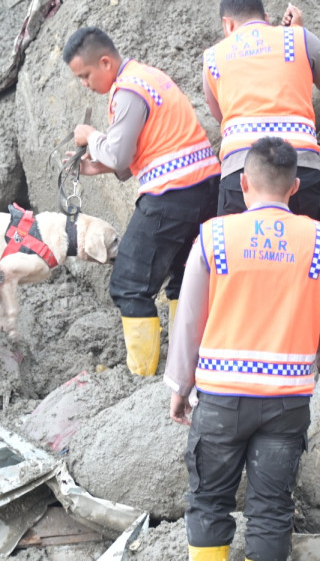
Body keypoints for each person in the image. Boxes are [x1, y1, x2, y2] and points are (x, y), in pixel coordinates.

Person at [164, 137, 320, 561]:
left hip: (220, 401)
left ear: (243, 184)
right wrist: (315, 362)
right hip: (287, 403)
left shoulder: (214, 237)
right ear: (295, 187)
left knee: (210, 501)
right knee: (271, 510)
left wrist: (179, 385)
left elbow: (189, 320)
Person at [63, 26, 221, 376]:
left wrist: (90, 136)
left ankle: (141, 375)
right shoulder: (149, 77)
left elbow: (119, 154)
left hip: (172, 194)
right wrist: (96, 167)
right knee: (185, 275)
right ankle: (190, 360)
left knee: (128, 284)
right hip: (206, 186)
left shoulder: (127, 91)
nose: (85, 84)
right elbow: (145, 149)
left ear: (105, 62)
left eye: (86, 75)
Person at [203, 0, 320, 222]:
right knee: (306, 248)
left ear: (227, 24)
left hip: (241, 170)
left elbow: (220, 115)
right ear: (266, 19)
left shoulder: (213, 56)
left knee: (236, 252)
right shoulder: (297, 37)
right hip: (298, 166)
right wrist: (298, 32)